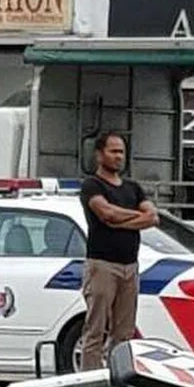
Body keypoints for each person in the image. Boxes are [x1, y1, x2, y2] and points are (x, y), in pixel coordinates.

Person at [78, 131, 158, 371]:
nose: (118, 157)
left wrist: (121, 219)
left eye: (121, 152)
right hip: (102, 265)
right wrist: (136, 215)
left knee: (124, 332)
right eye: (113, 151)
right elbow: (106, 213)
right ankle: (89, 382)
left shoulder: (133, 187)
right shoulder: (92, 185)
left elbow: (153, 217)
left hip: (130, 267)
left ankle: (117, 377)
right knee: (95, 329)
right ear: (100, 154)